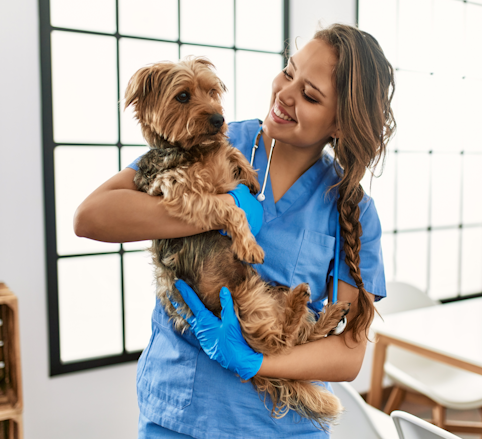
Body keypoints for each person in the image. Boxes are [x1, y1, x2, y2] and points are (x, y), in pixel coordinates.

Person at [74, 23, 396, 439]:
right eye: (288, 71)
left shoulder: (352, 209)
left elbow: (348, 355)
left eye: (311, 94)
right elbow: (92, 216)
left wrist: (255, 363)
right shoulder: (211, 140)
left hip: (282, 427)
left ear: (339, 124)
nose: (285, 93)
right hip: (183, 413)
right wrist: (219, 212)